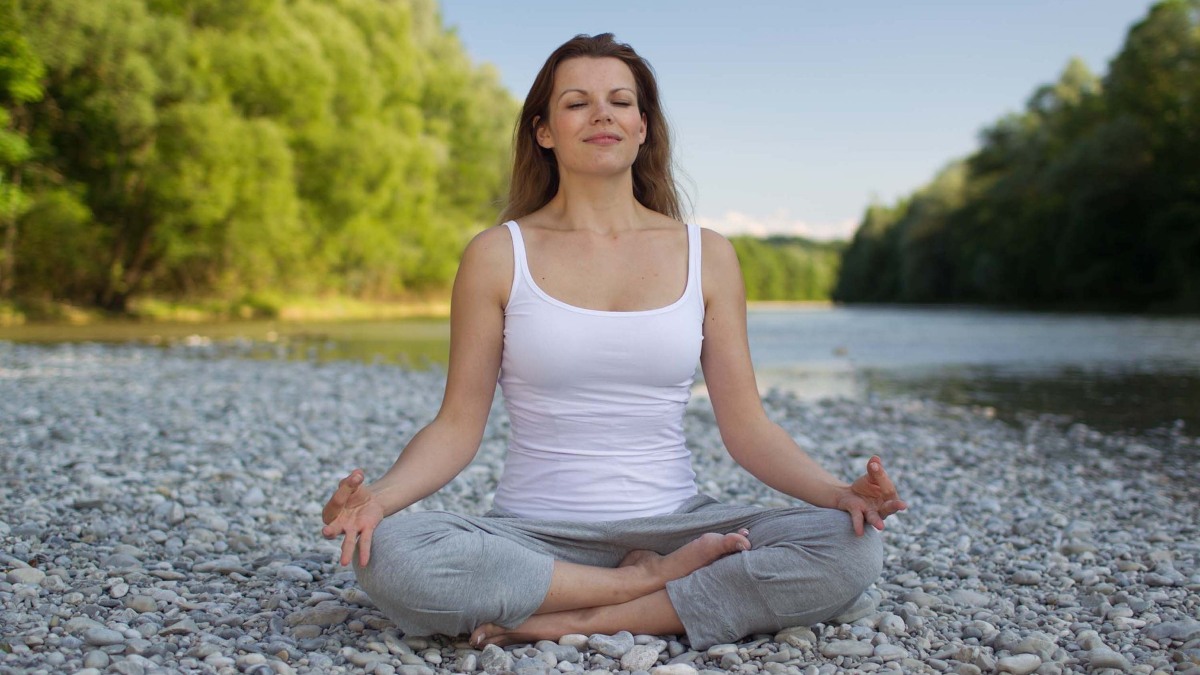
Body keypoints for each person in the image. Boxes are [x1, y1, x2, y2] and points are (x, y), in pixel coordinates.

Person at [320, 33, 906, 651]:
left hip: (678, 525)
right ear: (544, 131)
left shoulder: (708, 255)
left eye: (620, 101)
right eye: (576, 103)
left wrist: (837, 493)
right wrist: (378, 498)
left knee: (849, 547)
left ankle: (578, 615)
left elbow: (748, 427)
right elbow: (457, 426)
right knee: (389, 554)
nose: (602, 114)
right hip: (535, 535)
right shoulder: (497, 255)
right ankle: (647, 590)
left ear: (643, 127)